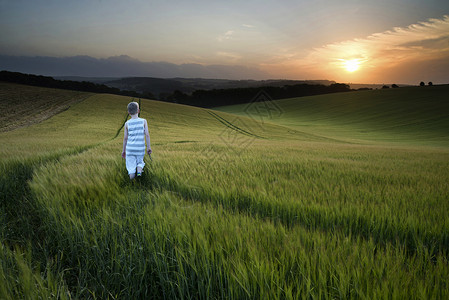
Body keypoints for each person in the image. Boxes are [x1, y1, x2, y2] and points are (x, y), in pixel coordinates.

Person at [121, 102, 152, 180]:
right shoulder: (143, 121)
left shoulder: (127, 123)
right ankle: (139, 173)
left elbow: (125, 138)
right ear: (138, 111)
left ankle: (132, 182)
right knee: (140, 162)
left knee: (131, 167)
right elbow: (147, 135)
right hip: (140, 148)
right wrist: (148, 147)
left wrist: (123, 150)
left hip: (130, 148)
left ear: (128, 113)